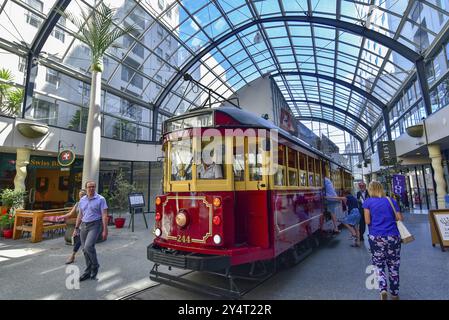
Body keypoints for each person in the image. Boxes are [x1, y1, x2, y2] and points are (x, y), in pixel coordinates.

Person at [363, 181, 403, 300]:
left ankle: (383, 289)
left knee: (379, 265)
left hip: (376, 237)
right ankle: (395, 293)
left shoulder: (368, 202)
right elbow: (400, 218)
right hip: (393, 237)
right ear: (381, 188)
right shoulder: (391, 201)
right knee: (393, 265)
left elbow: (367, 221)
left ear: (370, 190)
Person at [74, 181, 109, 281]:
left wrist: (105, 230)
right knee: (84, 250)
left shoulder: (101, 199)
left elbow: (104, 215)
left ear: (95, 187)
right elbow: (80, 215)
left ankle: (95, 265)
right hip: (84, 225)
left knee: (88, 246)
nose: (91, 188)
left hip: (95, 224)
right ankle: (88, 271)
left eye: (93, 187)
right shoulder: (82, 200)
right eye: (89, 187)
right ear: (86, 188)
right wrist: (76, 228)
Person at [58, 189, 87, 264]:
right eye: (80, 195)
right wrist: (61, 216)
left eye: (83, 195)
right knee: (79, 241)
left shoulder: (89, 203)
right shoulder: (78, 204)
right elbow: (70, 214)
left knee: (82, 241)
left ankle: (73, 256)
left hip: (88, 224)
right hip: (80, 225)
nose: (81, 196)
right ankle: (74, 256)